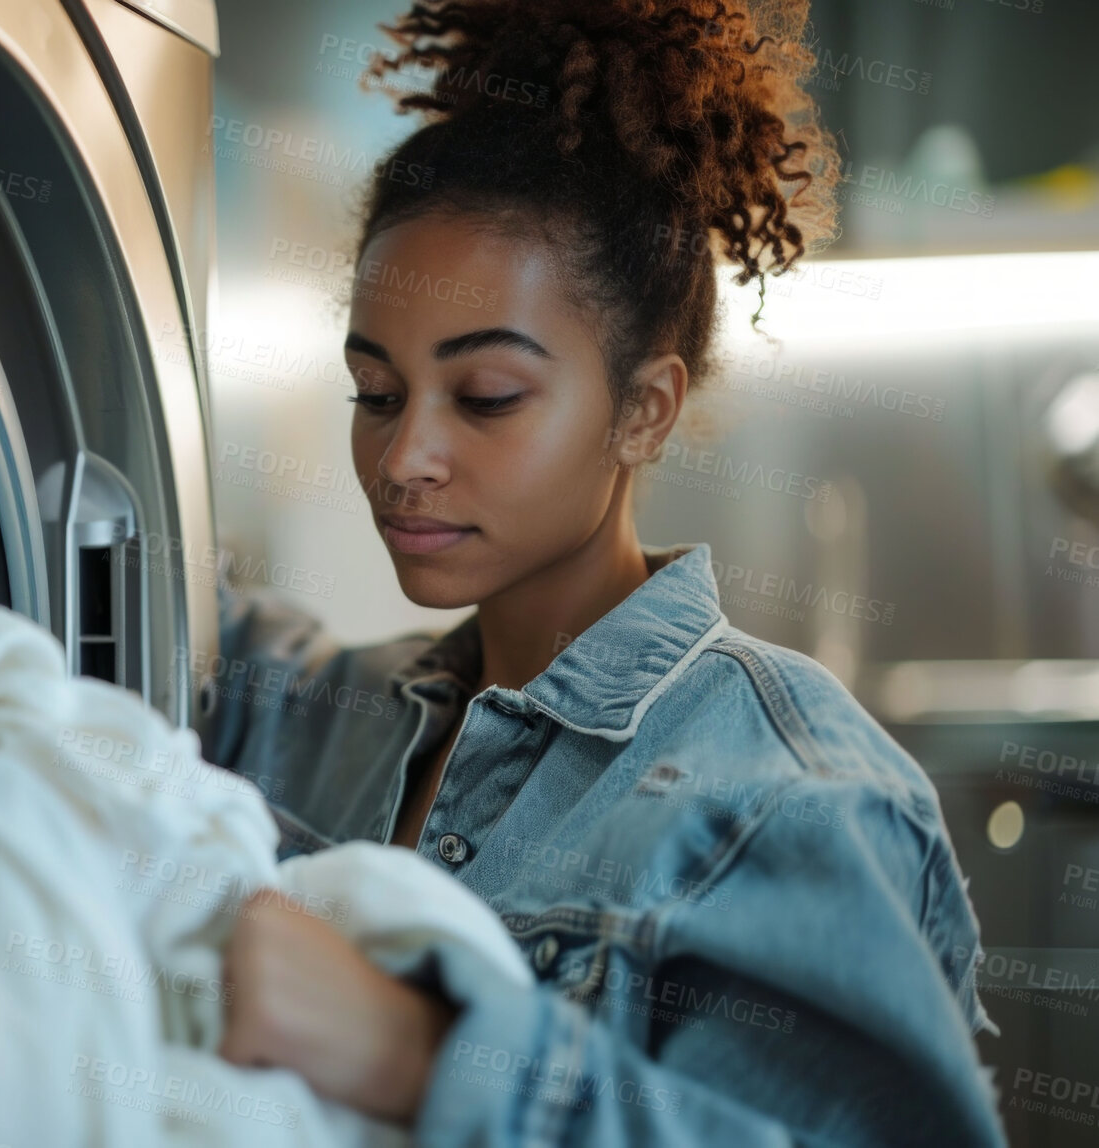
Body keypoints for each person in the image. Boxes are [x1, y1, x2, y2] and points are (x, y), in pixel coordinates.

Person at [200, 1, 1005, 1144]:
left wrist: (415, 1055)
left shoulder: (787, 792)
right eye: (374, 394)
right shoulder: (316, 715)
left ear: (642, 408)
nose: (402, 457)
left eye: (484, 397)